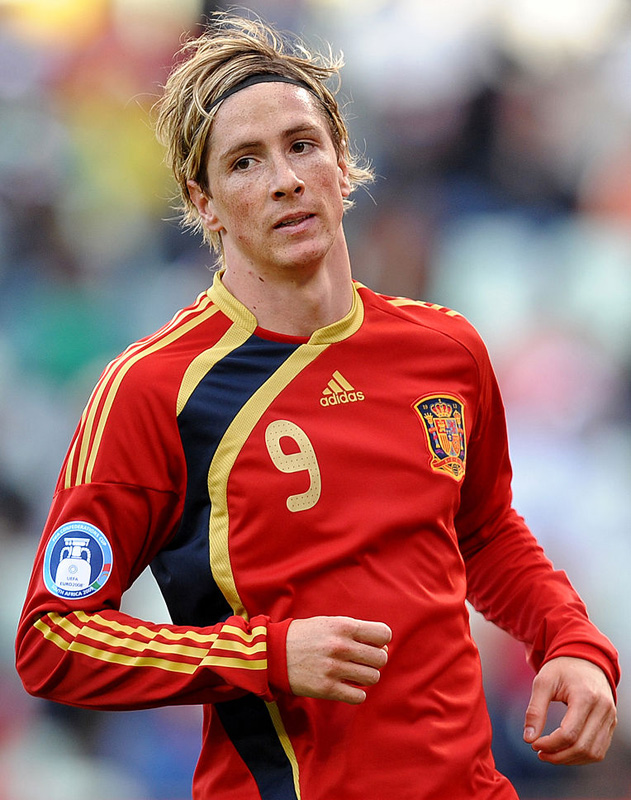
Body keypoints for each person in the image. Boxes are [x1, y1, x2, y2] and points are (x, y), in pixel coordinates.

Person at [16, 12, 619, 799]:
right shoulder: (155, 389)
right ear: (204, 202)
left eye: (301, 145)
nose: (284, 179)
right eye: (245, 161)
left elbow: (483, 530)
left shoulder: (445, 348)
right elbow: (53, 641)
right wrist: (262, 657)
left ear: (342, 162)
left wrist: (568, 639)